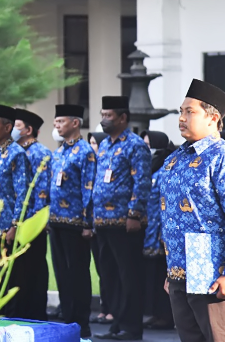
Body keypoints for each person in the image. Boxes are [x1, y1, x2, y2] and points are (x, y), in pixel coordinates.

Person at [159, 79, 225, 342]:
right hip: (181, 274)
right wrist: (172, 272)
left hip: (215, 274)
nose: (181, 118)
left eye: (190, 112)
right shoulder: (175, 158)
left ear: (213, 118)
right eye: (181, 111)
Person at [93, 96, 151, 341]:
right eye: (102, 114)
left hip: (124, 222)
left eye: (109, 116)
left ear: (122, 118)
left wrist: (134, 214)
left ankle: (131, 327)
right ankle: (116, 322)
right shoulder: (105, 144)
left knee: (128, 275)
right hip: (103, 221)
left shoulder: (135, 145)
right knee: (109, 275)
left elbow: (142, 181)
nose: (104, 120)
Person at [49, 105, 96, 338]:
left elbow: (88, 188)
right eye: (56, 122)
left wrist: (88, 223)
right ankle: (67, 320)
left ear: (75, 123)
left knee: (77, 273)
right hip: (56, 221)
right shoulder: (58, 152)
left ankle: (81, 323)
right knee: (62, 274)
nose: (56, 126)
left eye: (61, 122)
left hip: (76, 222)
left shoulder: (85, 151)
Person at [0, 104, 31, 319]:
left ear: (8, 127)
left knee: (6, 280)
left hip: (5, 229)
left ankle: (8, 324)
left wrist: (15, 226)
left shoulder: (16, 154)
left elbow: (23, 194)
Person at [12, 108, 51, 321]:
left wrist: (37, 220)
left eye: (17, 126)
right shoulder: (16, 151)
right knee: (20, 270)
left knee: (34, 267)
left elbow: (42, 190)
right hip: (18, 220)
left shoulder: (39, 152)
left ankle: (35, 312)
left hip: (33, 221)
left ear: (28, 130)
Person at [140, 130, 176, 331]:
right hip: (150, 230)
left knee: (163, 272)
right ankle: (155, 313)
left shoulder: (166, 169)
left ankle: (166, 315)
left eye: (149, 144)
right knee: (152, 275)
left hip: (162, 231)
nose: (146, 149)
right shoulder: (151, 169)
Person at [85, 131, 115, 326]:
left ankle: (113, 309)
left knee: (110, 270)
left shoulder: (106, 164)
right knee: (101, 269)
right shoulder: (92, 165)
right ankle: (105, 308)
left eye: (95, 143)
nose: (92, 147)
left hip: (110, 222)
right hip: (94, 223)